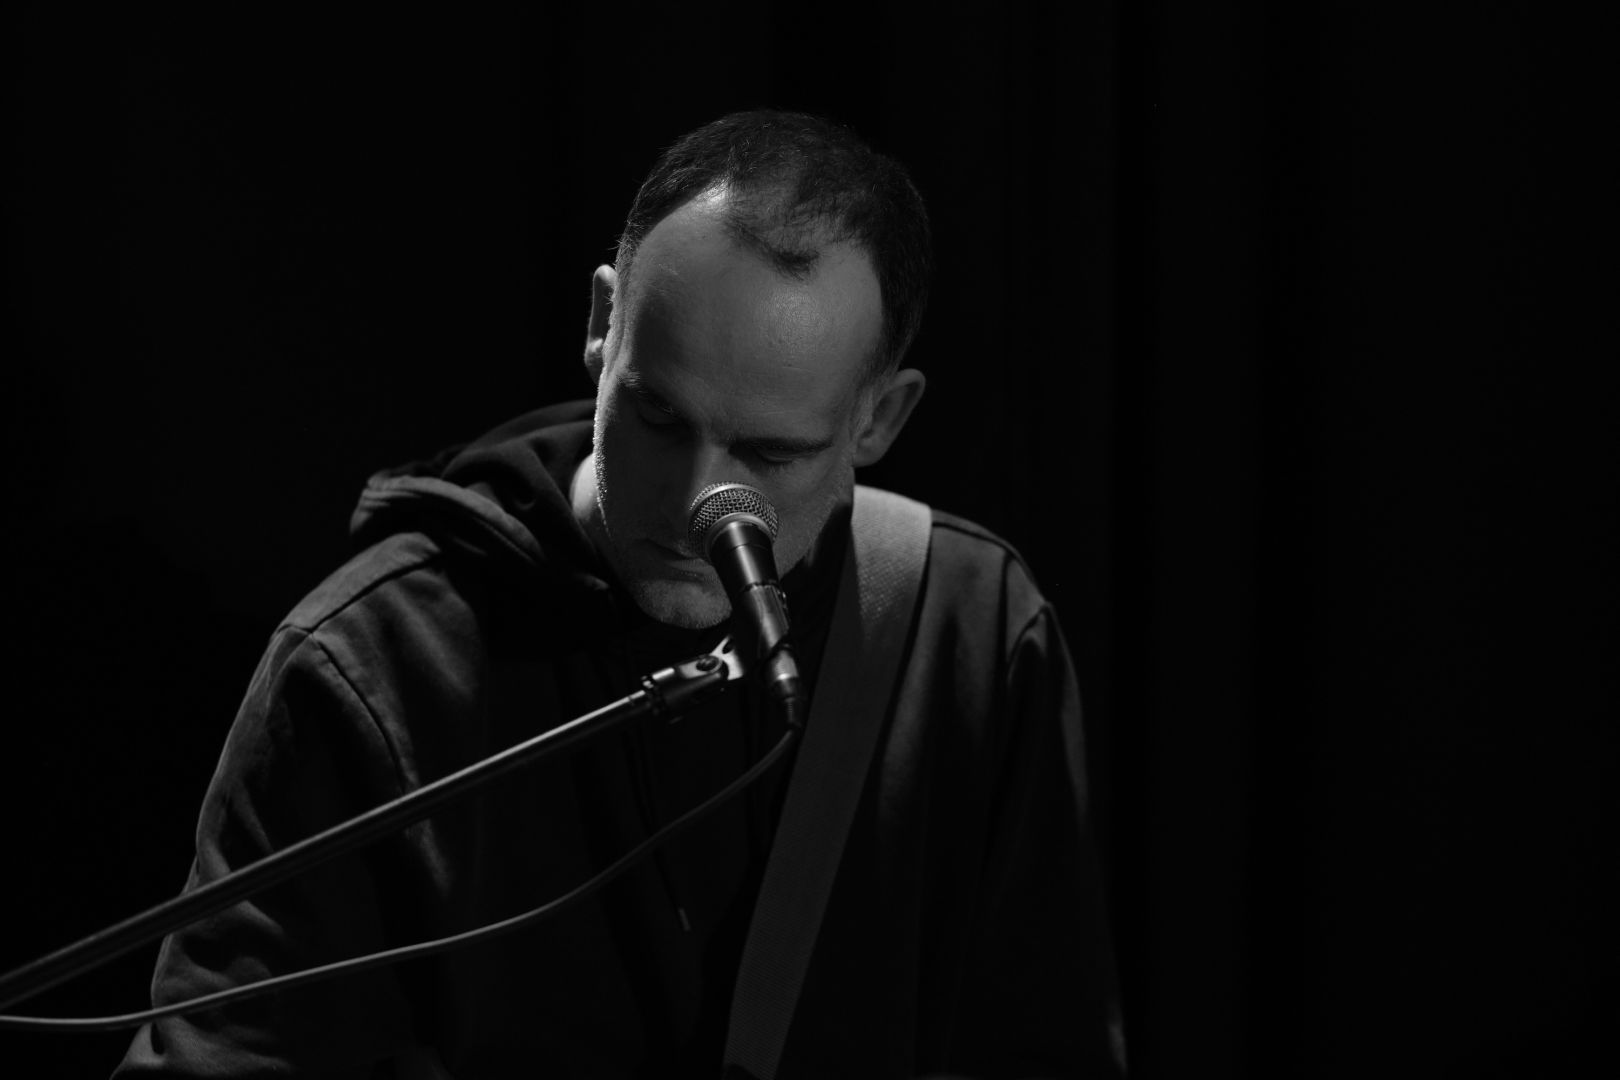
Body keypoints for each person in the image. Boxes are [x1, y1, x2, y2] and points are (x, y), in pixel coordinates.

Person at [113, 110, 1125, 1078]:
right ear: (604, 324)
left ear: (880, 420)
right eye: (656, 415)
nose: (697, 500)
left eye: (769, 452)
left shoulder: (969, 629)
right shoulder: (373, 664)